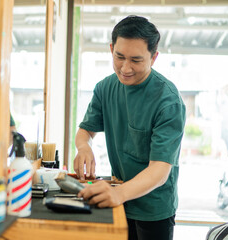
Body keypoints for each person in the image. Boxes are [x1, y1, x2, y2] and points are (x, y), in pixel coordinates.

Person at [74, 15, 186, 240]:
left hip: (154, 208)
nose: (125, 68)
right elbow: (85, 131)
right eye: (119, 57)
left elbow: (160, 171)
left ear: (154, 57)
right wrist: (84, 147)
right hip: (118, 199)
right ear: (111, 48)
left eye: (136, 60)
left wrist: (120, 194)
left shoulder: (168, 101)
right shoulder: (105, 88)